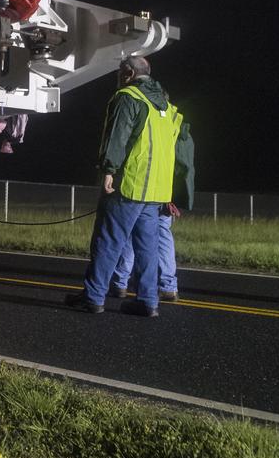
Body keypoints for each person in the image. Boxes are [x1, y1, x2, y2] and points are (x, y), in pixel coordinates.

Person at [65, 54, 183, 317]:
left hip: (128, 185)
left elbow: (117, 135)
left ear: (128, 73)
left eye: (120, 72)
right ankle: (148, 301)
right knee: (147, 249)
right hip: (157, 190)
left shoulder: (128, 97)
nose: (118, 77)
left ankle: (94, 297)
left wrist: (109, 169)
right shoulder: (165, 105)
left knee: (108, 242)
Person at [110, 120, 195, 301]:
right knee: (164, 236)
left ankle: (120, 282)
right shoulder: (183, 133)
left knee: (132, 234)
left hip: (150, 189)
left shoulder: (158, 127)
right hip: (168, 191)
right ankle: (168, 286)